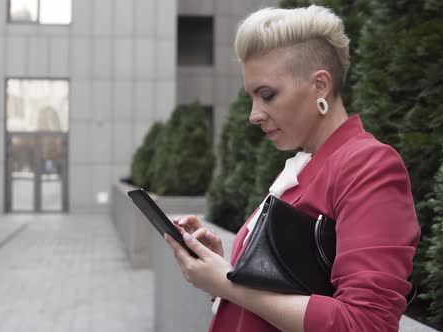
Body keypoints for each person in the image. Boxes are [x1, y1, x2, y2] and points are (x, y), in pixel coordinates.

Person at [164, 5, 420, 331]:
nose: (254, 115)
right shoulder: (301, 167)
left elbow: (366, 323)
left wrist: (228, 284)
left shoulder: (369, 166)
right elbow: (281, 293)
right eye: (251, 97)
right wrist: (224, 270)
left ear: (321, 86)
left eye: (267, 95)